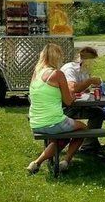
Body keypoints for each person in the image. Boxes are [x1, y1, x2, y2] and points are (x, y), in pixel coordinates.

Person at [27, 43, 86, 174]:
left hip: (35, 122)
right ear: (56, 57)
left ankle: (36, 163)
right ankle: (66, 161)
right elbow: (68, 101)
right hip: (53, 121)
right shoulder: (57, 74)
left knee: (62, 136)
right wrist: (73, 96)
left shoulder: (36, 72)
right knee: (83, 128)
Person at [61, 47, 105, 156]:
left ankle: (89, 144)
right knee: (98, 112)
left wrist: (92, 87)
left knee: (98, 112)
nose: (94, 64)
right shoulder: (70, 69)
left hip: (77, 104)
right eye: (92, 61)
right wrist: (90, 81)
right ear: (85, 60)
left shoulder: (85, 70)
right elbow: (72, 88)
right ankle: (89, 145)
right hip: (65, 107)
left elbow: (84, 89)